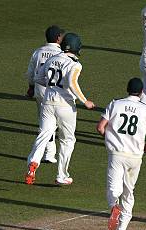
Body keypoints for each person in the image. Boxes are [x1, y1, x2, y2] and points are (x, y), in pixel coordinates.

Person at [25, 33, 95, 185]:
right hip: (66, 106)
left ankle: (33, 163)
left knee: (44, 134)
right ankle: (61, 176)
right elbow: (72, 82)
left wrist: (52, 86)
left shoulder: (51, 59)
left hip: (48, 103)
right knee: (67, 140)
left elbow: (37, 78)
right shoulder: (75, 64)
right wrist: (85, 101)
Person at [96, 78, 146, 230]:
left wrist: (110, 138)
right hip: (135, 157)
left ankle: (113, 208)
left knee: (113, 189)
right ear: (141, 92)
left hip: (116, 154)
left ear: (127, 89)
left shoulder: (115, 104)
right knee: (128, 193)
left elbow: (100, 127)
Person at [25, 25, 64, 163]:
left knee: (45, 121)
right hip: (55, 92)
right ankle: (48, 154)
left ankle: (49, 153)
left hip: (39, 90)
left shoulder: (38, 51)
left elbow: (31, 72)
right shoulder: (62, 54)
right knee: (52, 123)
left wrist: (30, 87)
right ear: (58, 38)